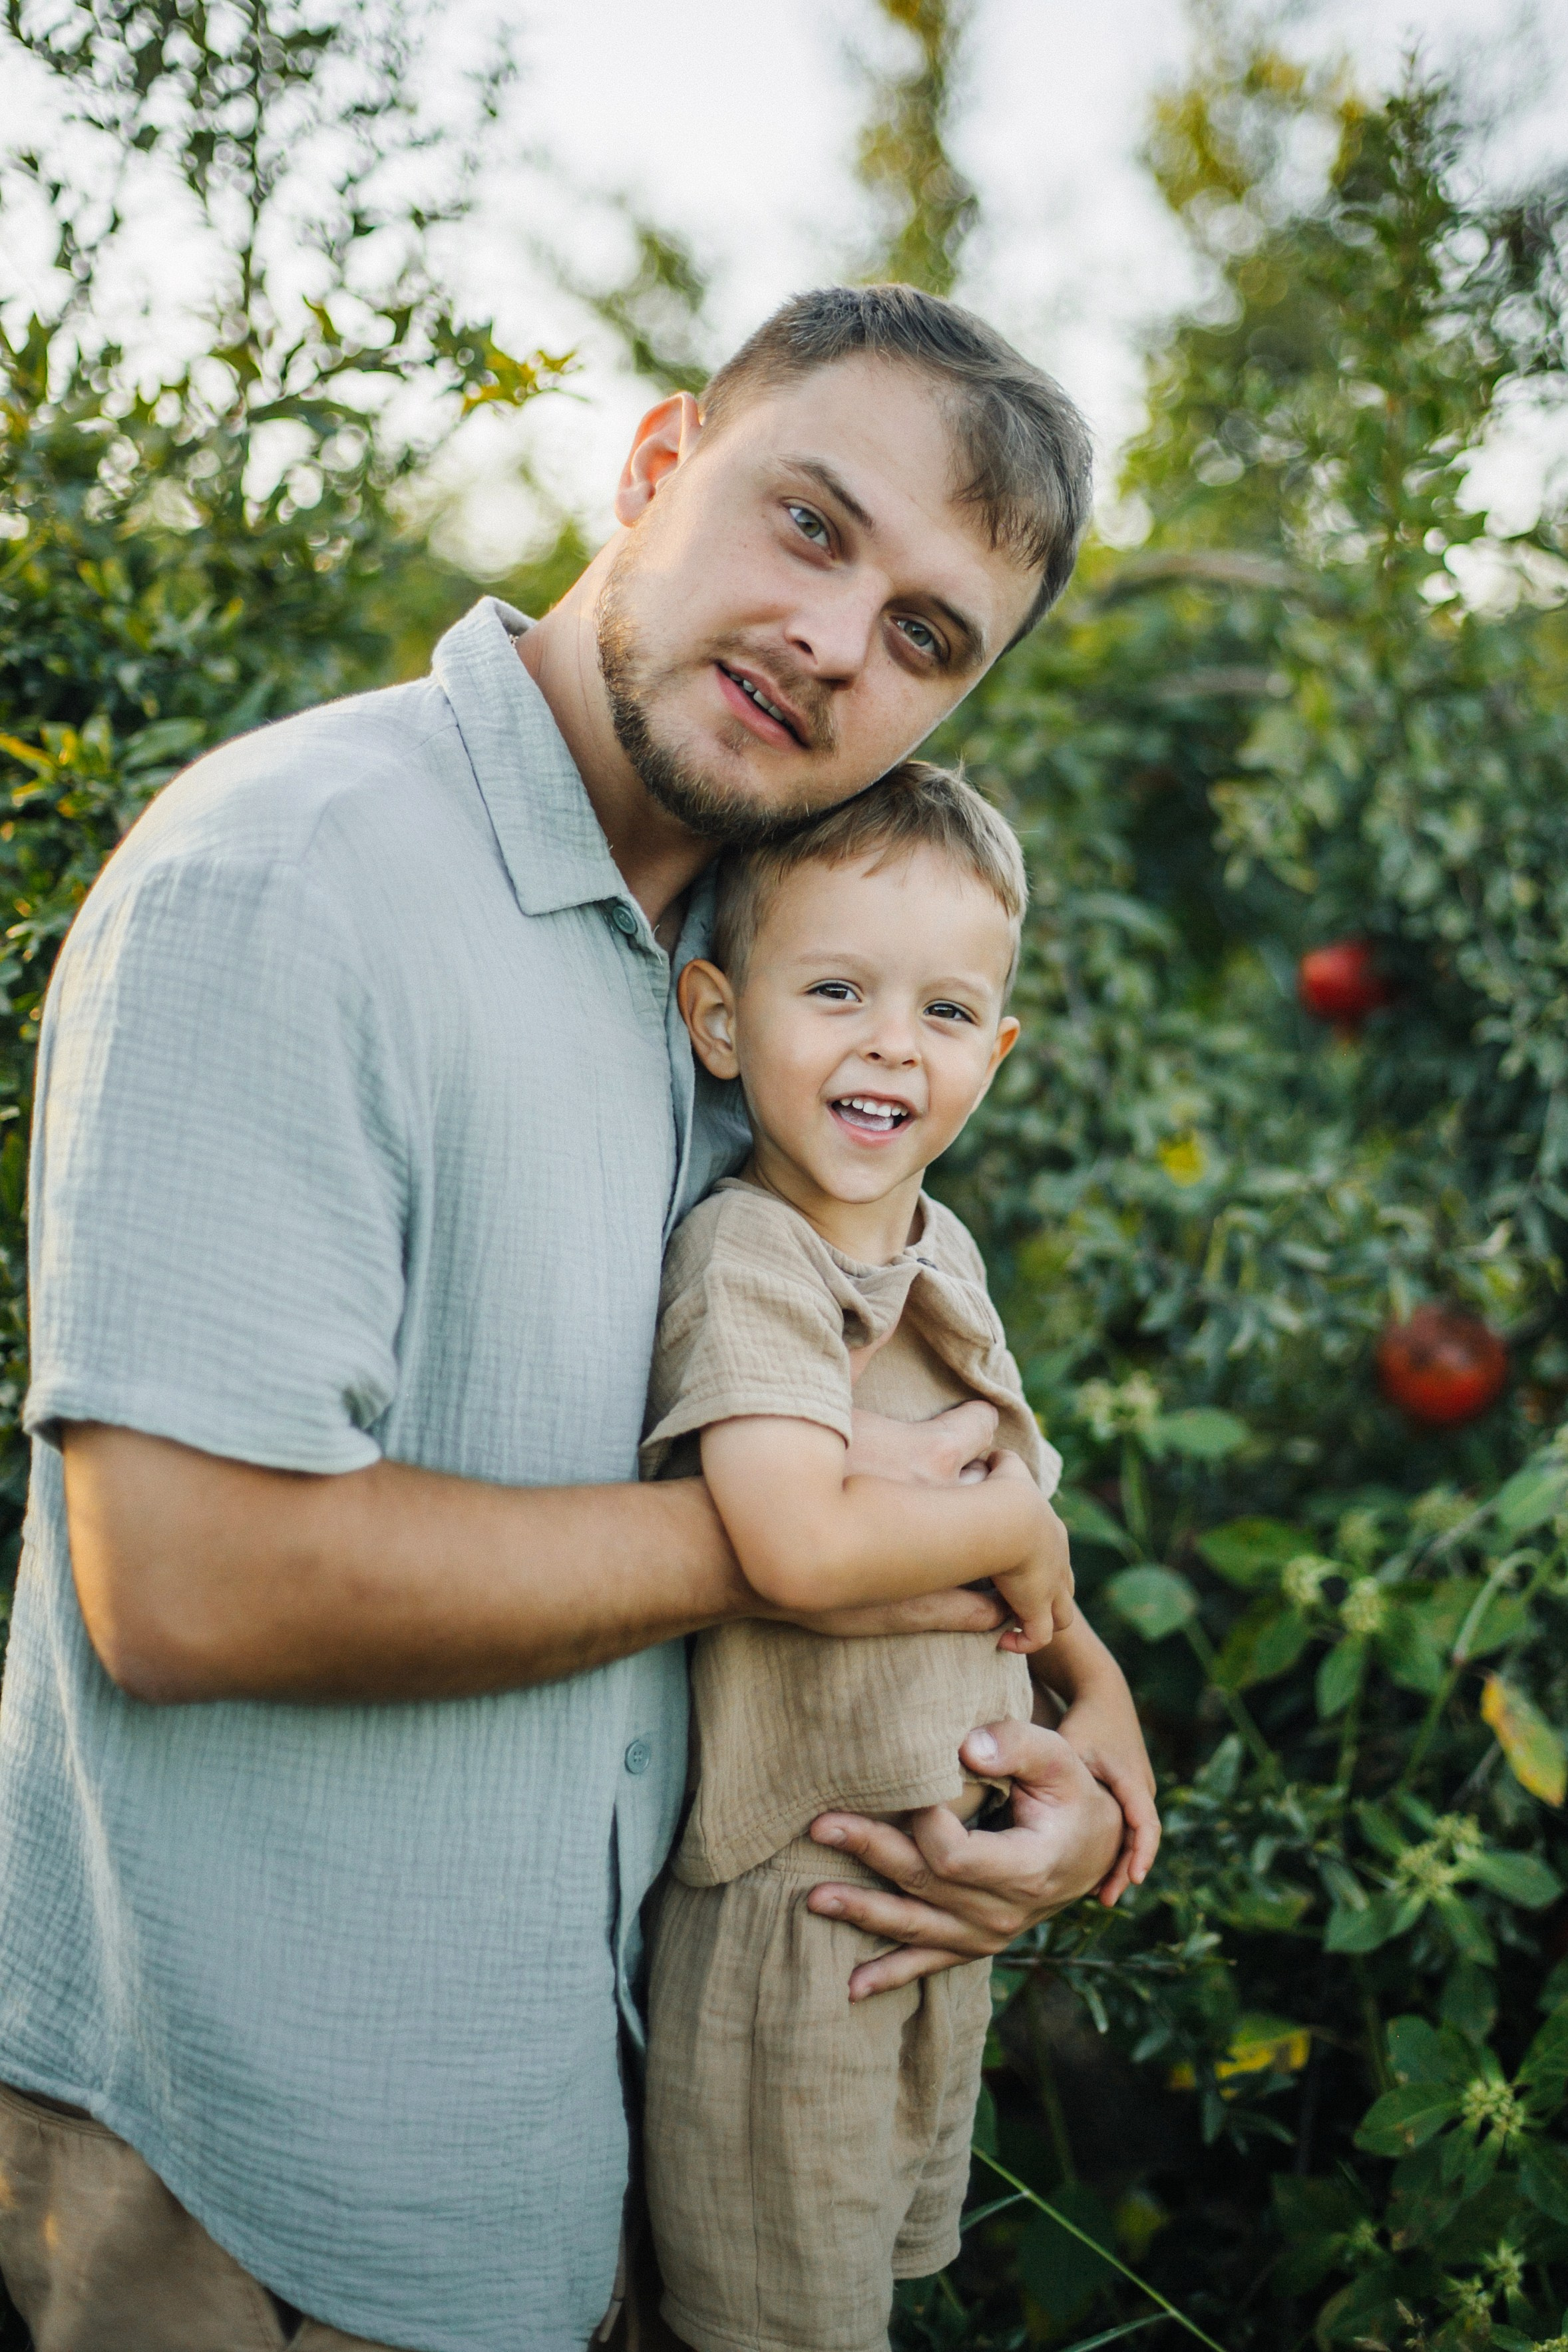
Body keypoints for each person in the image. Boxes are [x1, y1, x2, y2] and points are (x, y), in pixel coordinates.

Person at [0, 285, 1155, 2352]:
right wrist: (842, 1533)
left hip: (599, 2127)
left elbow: (850, 1396)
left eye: (923, 635)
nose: (833, 639)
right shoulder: (296, 877)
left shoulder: (750, 976)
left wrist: (1053, 1728)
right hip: (271, 2166)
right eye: (809, 523)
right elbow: (184, 1580)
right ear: (650, 466)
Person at [639, 763, 1153, 2352]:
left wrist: (1097, 1692)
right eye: (838, 990)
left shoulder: (940, 1248)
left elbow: (1013, 1505)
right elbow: (796, 1547)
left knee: (878, 2281)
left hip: (933, 1897)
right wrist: (1020, 1532)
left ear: (991, 1055)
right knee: (779, 2319)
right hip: (804, 1907)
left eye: (942, 1012)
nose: (888, 1044)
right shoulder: (753, 1255)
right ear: (720, 1022)